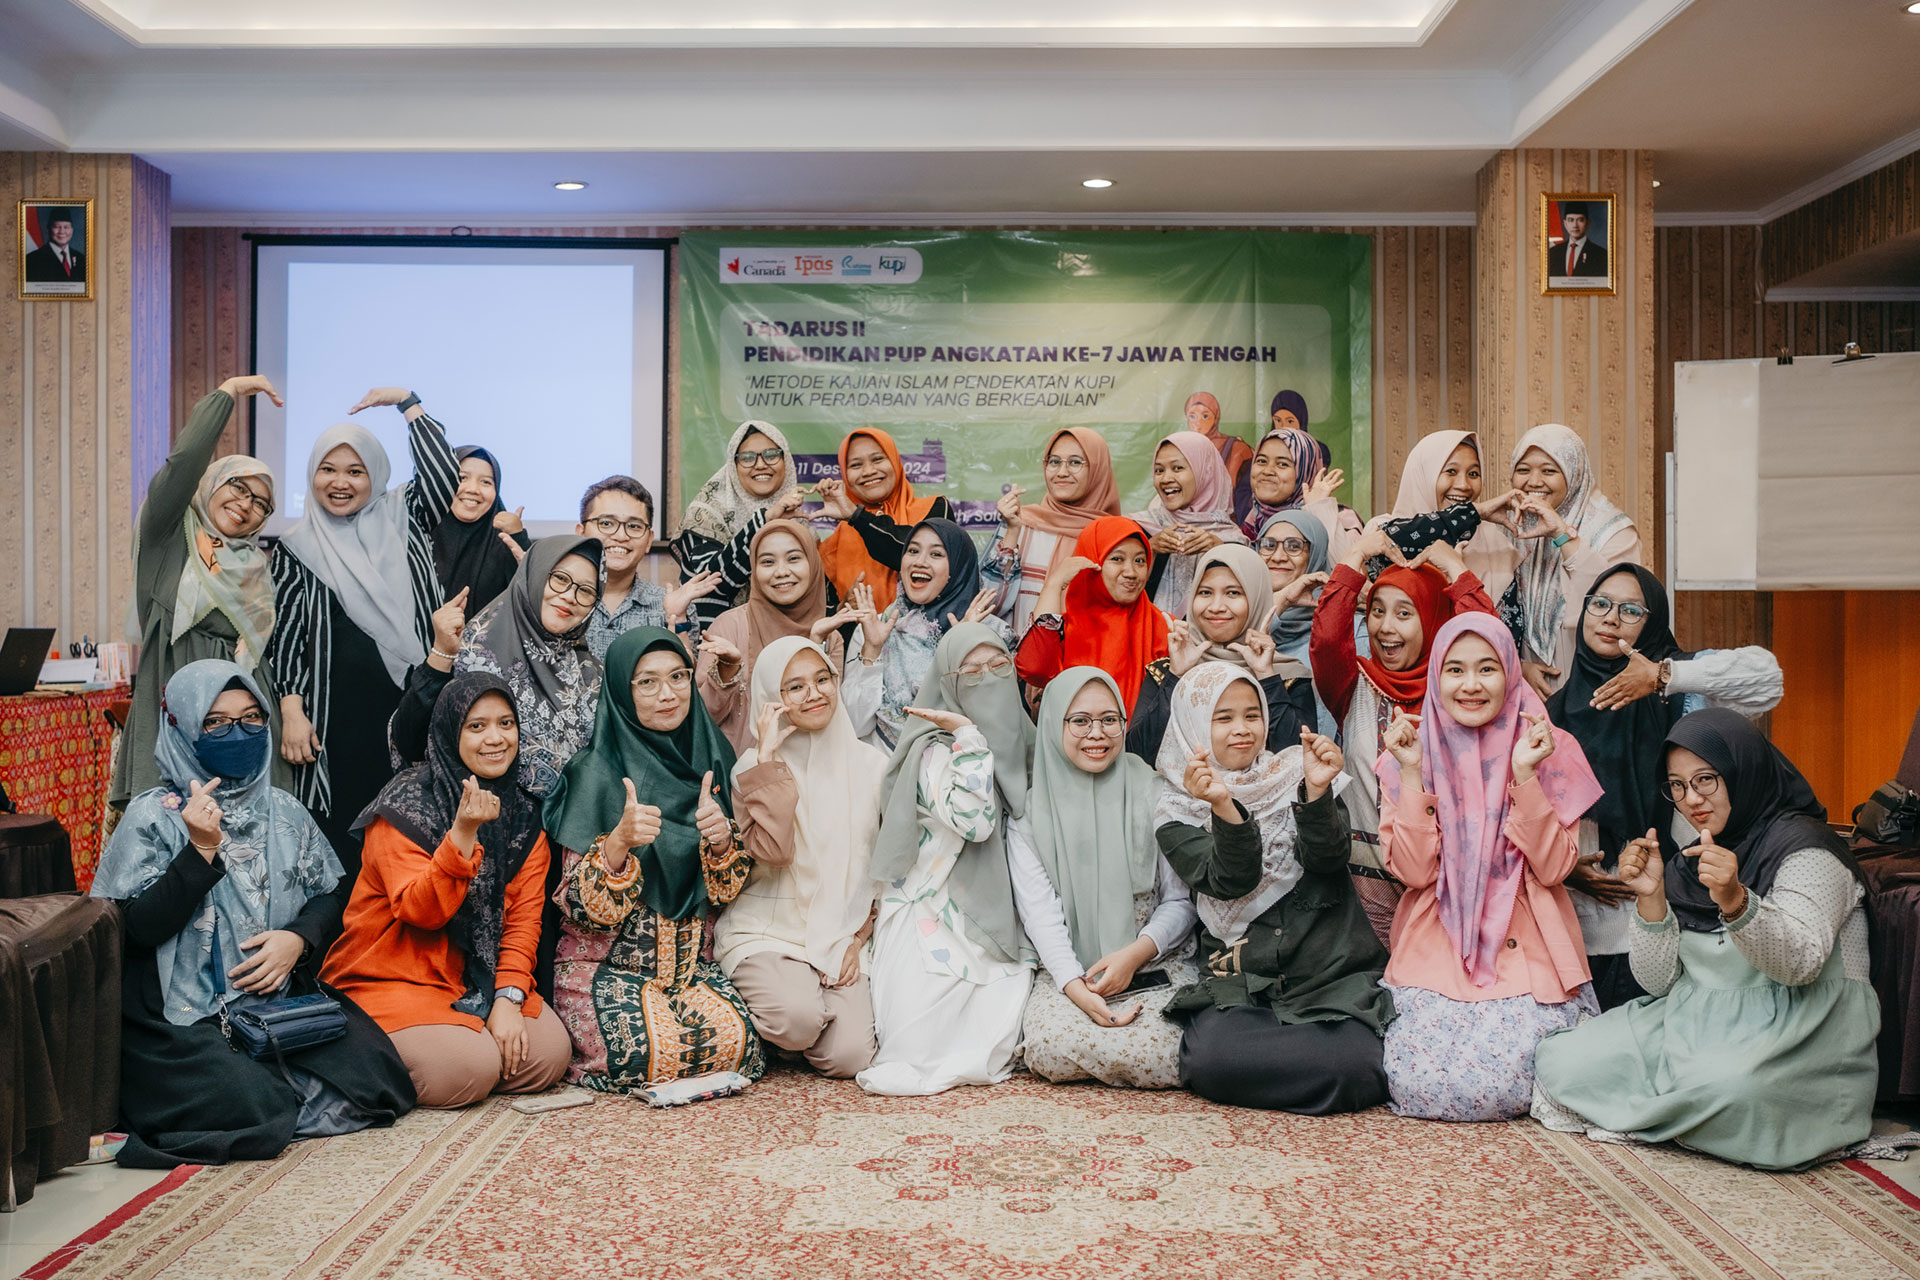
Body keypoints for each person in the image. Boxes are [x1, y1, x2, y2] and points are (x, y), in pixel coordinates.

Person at [93, 660, 413, 1166]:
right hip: (181, 1013)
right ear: (179, 725)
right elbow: (136, 930)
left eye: (251, 718)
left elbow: (329, 895)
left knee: (379, 1077)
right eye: (215, 722)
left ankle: (271, 1086)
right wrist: (198, 851)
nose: (237, 733)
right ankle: (253, 1088)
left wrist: (297, 941)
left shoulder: (283, 810)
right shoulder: (153, 815)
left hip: (274, 1002)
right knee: (252, 1103)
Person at [1532, 709, 1878, 1169]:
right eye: (1676, 785)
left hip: (1795, 1032)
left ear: (1743, 769)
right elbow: (1658, 984)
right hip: (1694, 1021)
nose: (1690, 798)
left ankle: (1685, 1104)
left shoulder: (1807, 849)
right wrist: (1652, 897)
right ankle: (1690, 1108)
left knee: (1737, 1091)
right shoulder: (1689, 863)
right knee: (1564, 1061)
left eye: (1705, 780)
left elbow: (1800, 965)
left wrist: (1735, 900)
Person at [1375, 613, 1603, 1122]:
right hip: (1439, 940)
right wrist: (1413, 774)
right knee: (1420, 1083)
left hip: (1528, 939)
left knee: (1517, 1075)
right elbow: (1413, 873)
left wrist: (1524, 775)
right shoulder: (1408, 752)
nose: (1471, 686)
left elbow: (1553, 868)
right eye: (1455, 670)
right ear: (1436, 677)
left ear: (1510, 673)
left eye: (1487, 669)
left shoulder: (1550, 748)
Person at [322, 673, 571, 1107]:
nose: (495, 738)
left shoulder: (523, 814)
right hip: (398, 975)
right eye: (476, 726)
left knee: (548, 1056)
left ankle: (468, 1042)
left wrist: (509, 998)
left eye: (506, 723)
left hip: (478, 975)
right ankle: (393, 1048)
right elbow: (421, 912)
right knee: (467, 1071)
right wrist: (462, 834)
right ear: (449, 731)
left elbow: (524, 921)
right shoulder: (403, 806)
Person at [1154, 663, 1394, 1113]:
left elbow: (1328, 858)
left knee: (1361, 1065)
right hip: (1244, 983)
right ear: (1193, 725)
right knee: (1209, 1061)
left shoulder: (1296, 771)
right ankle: (1309, 1069)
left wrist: (1318, 793)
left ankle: (1297, 1067)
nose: (1242, 730)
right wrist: (1224, 808)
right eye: (1222, 718)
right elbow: (1229, 881)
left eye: (1252, 715)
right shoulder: (1177, 810)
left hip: (1327, 976)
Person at [1544, 565, 1783, 1008]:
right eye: (1600, 604)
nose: (1611, 618)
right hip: (1577, 933)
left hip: (1683, 919)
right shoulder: (1552, 711)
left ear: (1652, 623)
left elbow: (1767, 680)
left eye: (1631, 610)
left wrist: (1663, 676)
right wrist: (1559, 867)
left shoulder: (1684, 692)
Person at [543, 629, 765, 1091]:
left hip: (689, 971)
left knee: (739, 1045)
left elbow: (724, 894)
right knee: (642, 1053)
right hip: (604, 968)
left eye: (678, 677)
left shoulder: (712, 756)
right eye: (647, 682)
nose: (667, 694)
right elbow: (580, 910)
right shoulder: (594, 774)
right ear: (623, 690)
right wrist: (619, 844)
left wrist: (723, 843)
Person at [268, 386, 460, 872]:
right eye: (327, 470)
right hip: (336, 725)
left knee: (414, 835)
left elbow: (443, 475)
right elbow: (287, 634)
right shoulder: (295, 547)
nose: (340, 482)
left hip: (413, 706)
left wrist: (409, 403)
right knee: (344, 847)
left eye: (356, 471)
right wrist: (291, 708)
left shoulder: (405, 515)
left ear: (374, 476)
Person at [859, 624, 1034, 1096]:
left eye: (998, 667)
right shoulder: (934, 752)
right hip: (933, 909)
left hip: (1003, 907)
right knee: (917, 1051)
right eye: (970, 672)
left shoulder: (1024, 736)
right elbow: (974, 823)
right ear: (948, 682)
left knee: (999, 1029)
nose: (988, 679)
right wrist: (970, 739)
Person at [1010, 668, 1197, 1088]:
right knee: (1050, 1047)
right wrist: (1077, 988)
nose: (1097, 734)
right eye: (1079, 720)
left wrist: (1134, 955)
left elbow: (1179, 902)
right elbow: (1041, 915)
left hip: (1154, 959)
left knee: (1174, 1048)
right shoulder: (1030, 815)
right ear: (1053, 722)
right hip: (1072, 968)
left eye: (1110, 719)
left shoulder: (1155, 792)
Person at [1310, 528, 1497, 941]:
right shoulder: (1353, 684)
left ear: (1433, 619)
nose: (1386, 627)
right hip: (1368, 882)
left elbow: (1490, 645)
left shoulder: (1459, 690)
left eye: (1405, 612)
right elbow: (1325, 640)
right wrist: (1357, 554)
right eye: (1377, 611)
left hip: (1454, 882)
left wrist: (1456, 571)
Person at [720, 637, 887, 1078]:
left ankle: (800, 1021)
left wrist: (858, 938)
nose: (814, 694)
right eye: (794, 687)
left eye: (822, 679)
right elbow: (773, 854)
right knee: (796, 1021)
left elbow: (886, 868)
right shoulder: (751, 768)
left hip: (843, 935)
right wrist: (769, 761)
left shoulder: (872, 766)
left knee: (851, 1057)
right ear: (772, 699)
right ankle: (786, 1017)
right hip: (771, 932)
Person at [116, 375, 285, 809]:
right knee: (172, 840)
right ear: (212, 484)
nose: (247, 505)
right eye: (239, 488)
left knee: (248, 851)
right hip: (175, 715)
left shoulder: (255, 568)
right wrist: (227, 392)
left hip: (244, 725)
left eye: (261, 504)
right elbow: (184, 463)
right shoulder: (170, 537)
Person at [390, 535, 604, 798]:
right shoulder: (471, 652)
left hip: (572, 829)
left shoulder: (590, 672)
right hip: (483, 822)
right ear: (534, 576)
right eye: (560, 579)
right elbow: (409, 741)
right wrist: (442, 654)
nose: (570, 596)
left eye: (585, 591)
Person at [1127, 544, 1313, 766]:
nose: (1216, 607)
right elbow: (1136, 757)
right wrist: (1176, 677)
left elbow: (1302, 762)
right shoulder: (1166, 670)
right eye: (1205, 592)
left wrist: (1266, 677)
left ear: (1256, 598)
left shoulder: (1287, 675)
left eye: (1233, 593)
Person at [841, 517, 1001, 750]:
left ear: (958, 567)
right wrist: (872, 649)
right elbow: (855, 725)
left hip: (955, 771)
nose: (920, 562)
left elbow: (992, 727)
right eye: (913, 551)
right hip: (883, 771)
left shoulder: (987, 635)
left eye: (936, 554)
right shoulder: (875, 627)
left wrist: (961, 649)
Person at [1508, 423, 1641, 697]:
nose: (1534, 481)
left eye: (1549, 470)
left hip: (1595, 674)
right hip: (1523, 680)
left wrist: (1561, 535)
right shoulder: (1510, 526)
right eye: (1523, 470)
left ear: (1574, 473)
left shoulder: (1612, 531)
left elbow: (1614, 607)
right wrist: (1516, 666)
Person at [695, 518, 848, 753]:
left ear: (814, 564)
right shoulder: (730, 626)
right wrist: (727, 669)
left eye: (794, 558)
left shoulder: (830, 636)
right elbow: (702, 718)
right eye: (767, 562)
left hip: (811, 773)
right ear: (754, 570)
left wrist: (816, 645)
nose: (781, 572)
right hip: (740, 775)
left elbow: (828, 720)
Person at [1014, 516, 1170, 714]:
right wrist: (1054, 584)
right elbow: (1033, 669)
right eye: (1117, 559)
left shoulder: (1166, 628)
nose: (1131, 572)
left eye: (1140, 560)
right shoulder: (1061, 632)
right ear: (1092, 562)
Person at [982, 427, 1124, 637]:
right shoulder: (1021, 524)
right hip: (1022, 662)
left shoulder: (1114, 535)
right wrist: (1011, 533)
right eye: (1054, 462)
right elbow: (989, 607)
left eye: (1075, 462)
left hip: (1089, 664)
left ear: (1097, 470)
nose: (1062, 472)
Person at [670, 421, 808, 632]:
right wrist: (765, 519)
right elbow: (710, 583)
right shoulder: (706, 513)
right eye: (747, 458)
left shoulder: (797, 516)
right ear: (733, 466)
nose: (760, 464)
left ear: (786, 461)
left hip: (784, 640)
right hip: (718, 642)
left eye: (771, 454)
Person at [576, 475, 713, 661]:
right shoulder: (557, 599)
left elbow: (686, 681)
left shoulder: (673, 607)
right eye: (606, 523)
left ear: (649, 540)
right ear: (581, 533)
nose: (621, 535)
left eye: (634, 526)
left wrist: (677, 617)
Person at [813, 428, 955, 604]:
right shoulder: (836, 542)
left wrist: (857, 517)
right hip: (861, 632)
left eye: (878, 459)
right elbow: (828, 615)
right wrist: (844, 609)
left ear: (895, 461)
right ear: (845, 474)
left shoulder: (935, 509)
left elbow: (908, 554)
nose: (868, 471)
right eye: (856, 465)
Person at [1385, 430, 1524, 603]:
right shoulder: (1382, 531)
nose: (1464, 485)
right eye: (1451, 471)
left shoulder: (1495, 543)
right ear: (1422, 475)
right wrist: (1476, 511)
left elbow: (1506, 626)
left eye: (1473, 474)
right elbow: (1400, 538)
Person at [1130, 431, 1249, 617]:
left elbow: (1248, 602)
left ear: (1206, 471)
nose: (1166, 479)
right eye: (1159, 470)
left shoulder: (1232, 539)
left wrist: (1220, 550)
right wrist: (1148, 550)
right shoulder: (1138, 529)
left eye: (1177, 468)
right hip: (1143, 640)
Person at [432, 446, 528, 613]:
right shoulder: (420, 532)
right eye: (462, 478)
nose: (472, 489)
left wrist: (518, 536)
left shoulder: (504, 542)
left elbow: (531, 595)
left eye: (485, 482)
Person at [1237, 426, 1356, 556]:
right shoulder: (1254, 519)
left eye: (1282, 464)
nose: (1267, 471)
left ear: (1305, 471)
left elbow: (1351, 571)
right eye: (1261, 461)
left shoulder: (1341, 519)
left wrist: (1318, 510)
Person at [1183, 392, 1254, 518]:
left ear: (1216, 417)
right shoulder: (1184, 450)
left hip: (1231, 520)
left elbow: (1245, 494)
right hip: (1192, 520)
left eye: (1205, 416)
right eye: (1192, 416)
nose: (1198, 423)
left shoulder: (1237, 448)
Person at [23, 208, 85, 284]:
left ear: (72, 230)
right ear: (48, 229)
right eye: (57, 227)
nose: (62, 231)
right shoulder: (32, 260)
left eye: (66, 227)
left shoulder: (81, 259)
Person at [1546, 203, 1607, 279]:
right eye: (1571, 220)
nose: (1575, 225)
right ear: (1565, 223)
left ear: (1588, 223)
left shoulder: (1602, 255)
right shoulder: (1553, 253)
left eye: (1580, 220)